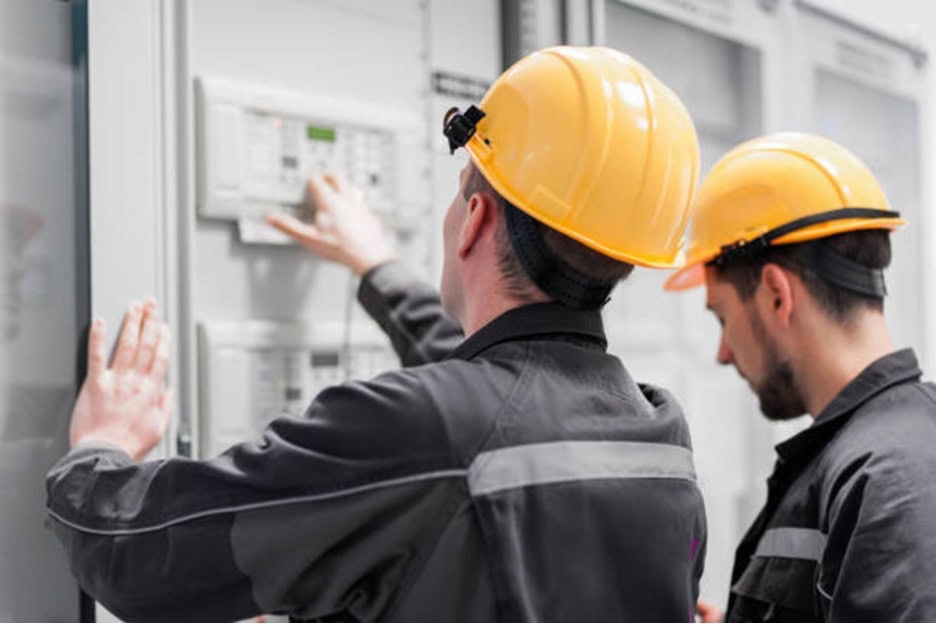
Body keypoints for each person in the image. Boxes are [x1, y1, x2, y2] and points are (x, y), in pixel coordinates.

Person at [46, 46, 706, 621]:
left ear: (473, 218)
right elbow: (504, 411)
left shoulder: (417, 430)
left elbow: (133, 550)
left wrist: (100, 446)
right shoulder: (659, 436)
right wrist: (376, 268)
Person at [666, 132, 936, 622]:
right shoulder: (873, 457)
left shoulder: (894, 478)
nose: (724, 353)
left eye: (722, 318)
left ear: (775, 294)